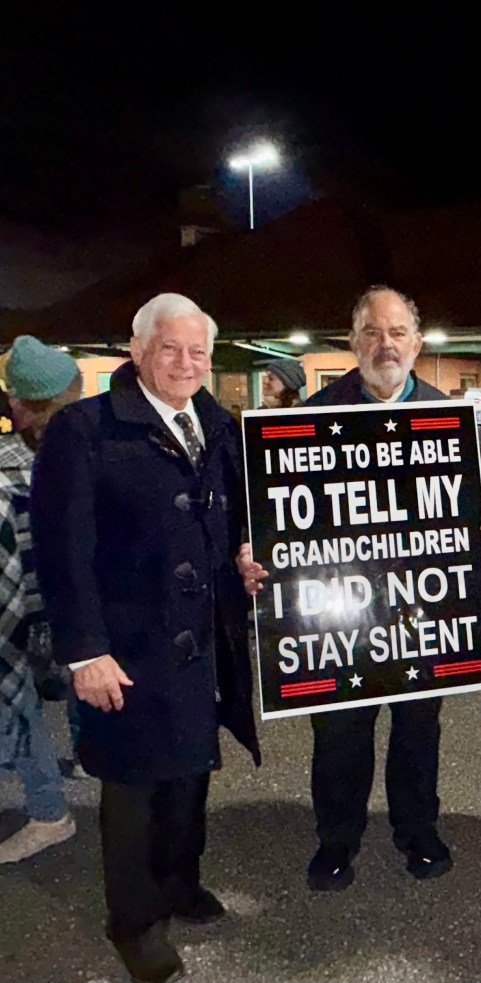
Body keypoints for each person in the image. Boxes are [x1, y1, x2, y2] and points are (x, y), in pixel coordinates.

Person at [32, 293, 261, 983]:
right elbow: (61, 549)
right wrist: (85, 650)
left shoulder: (215, 422)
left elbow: (232, 518)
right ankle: (134, 921)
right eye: (170, 348)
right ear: (137, 352)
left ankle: (178, 883)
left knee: (190, 773)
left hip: (199, 642)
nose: (185, 362)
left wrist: (244, 558)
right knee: (133, 789)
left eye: (198, 351)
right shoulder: (86, 429)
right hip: (126, 649)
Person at [251, 284, 481, 893]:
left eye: (397, 333)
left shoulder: (451, 424)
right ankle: (336, 841)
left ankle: (418, 831)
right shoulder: (307, 418)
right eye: (371, 332)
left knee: (419, 731)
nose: (384, 345)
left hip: (421, 612)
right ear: (352, 341)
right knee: (339, 736)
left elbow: (480, 510)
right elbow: (271, 512)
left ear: (417, 342)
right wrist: (251, 548)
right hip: (335, 618)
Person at [0, 336, 82, 863]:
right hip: (78, 601)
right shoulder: (92, 446)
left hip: (26, 604)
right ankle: (89, 758)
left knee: (16, 696)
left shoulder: (10, 466)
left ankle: (49, 810)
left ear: (22, 403)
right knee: (82, 678)